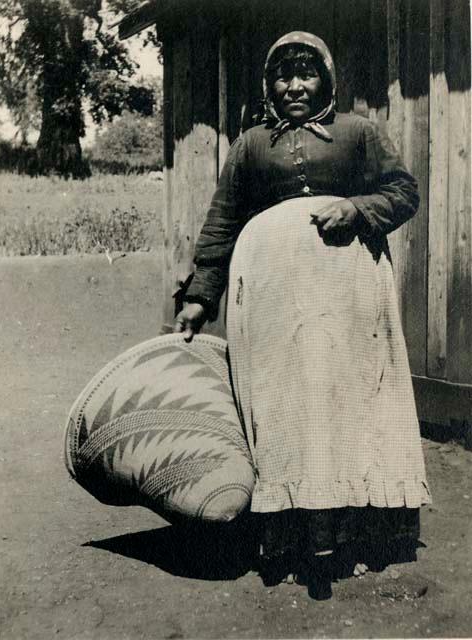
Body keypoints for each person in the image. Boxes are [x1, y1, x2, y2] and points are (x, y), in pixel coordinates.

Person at [173, 31, 431, 599]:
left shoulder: (358, 133)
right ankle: (288, 539)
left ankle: (354, 537)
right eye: (283, 76)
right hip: (270, 299)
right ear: (268, 85)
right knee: (283, 404)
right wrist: (199, 298)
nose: (294, 86)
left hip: (347, 295)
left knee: (345, 400)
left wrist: (358, 208)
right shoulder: (250, 145)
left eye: (306, 74)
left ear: (327, 81)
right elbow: (221, 223)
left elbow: (404, 192)